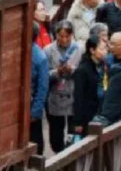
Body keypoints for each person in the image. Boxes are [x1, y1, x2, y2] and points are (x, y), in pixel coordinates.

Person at [45, 21, 81, 154]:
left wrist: (73, 70)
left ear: (72, 35)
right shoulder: (48, 50)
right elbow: (44, 75)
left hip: (73, 95)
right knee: (56, 138)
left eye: (67, 36)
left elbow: (84, 72)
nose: (64, 39)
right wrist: (57, 72)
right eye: (61, 36)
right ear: (56, 35)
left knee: (74, 136)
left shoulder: (79, 49)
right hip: (55, 96)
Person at [72, 31, 108, 136]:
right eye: (102, 49)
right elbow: (78, 97)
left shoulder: (103, 65)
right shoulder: (82, 70)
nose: (105, 52)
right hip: (87, 116)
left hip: (100, 112)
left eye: (105, 48)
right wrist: (78, 122)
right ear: (92, 50)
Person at [29, 24, 50, 154]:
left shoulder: (39, 57)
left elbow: (42, 88)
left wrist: (35, 112)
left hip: (31, 105)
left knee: (35, 142)